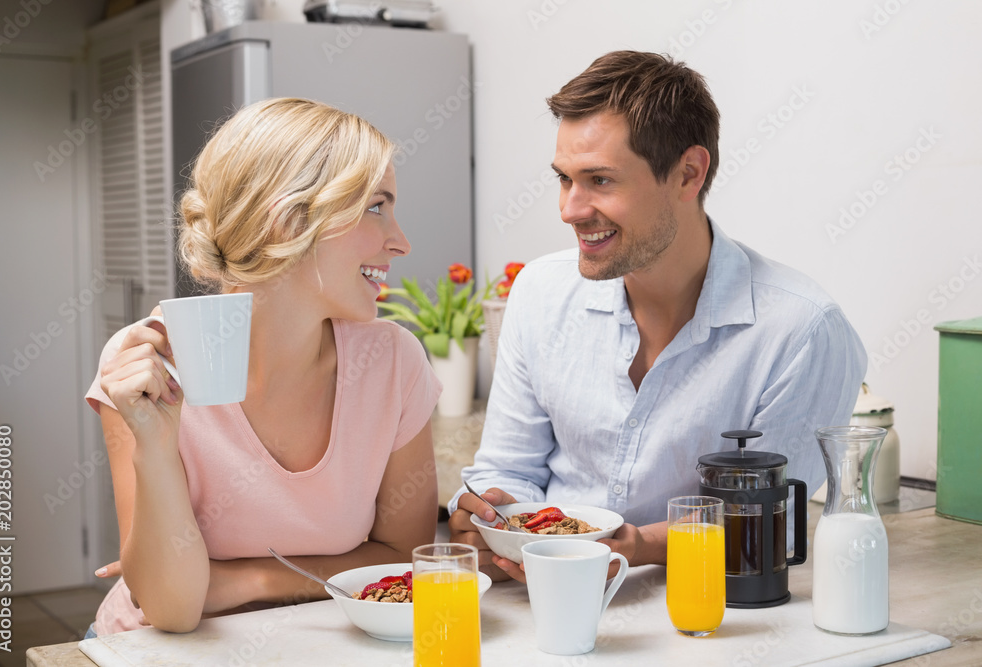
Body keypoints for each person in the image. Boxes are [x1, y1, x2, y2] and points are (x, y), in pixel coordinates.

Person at [448, 51, 867, 582]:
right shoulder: (540, 292)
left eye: (600, 180)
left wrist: (636, 546)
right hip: (542, 606)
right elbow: (508, 470)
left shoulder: (802, 331)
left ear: (688, 173)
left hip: (714, 618)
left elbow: (765, 519)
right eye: (564, 179)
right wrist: (492, 515)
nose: (570, 209)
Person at [85, 98, 442, 635]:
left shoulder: (392, 362)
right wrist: (156, 445)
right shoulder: (148, 364)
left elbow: (405, 566)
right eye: (376, 206)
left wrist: (252, 580)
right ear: (289, 221)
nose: (402, 240)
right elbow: (173, 609)